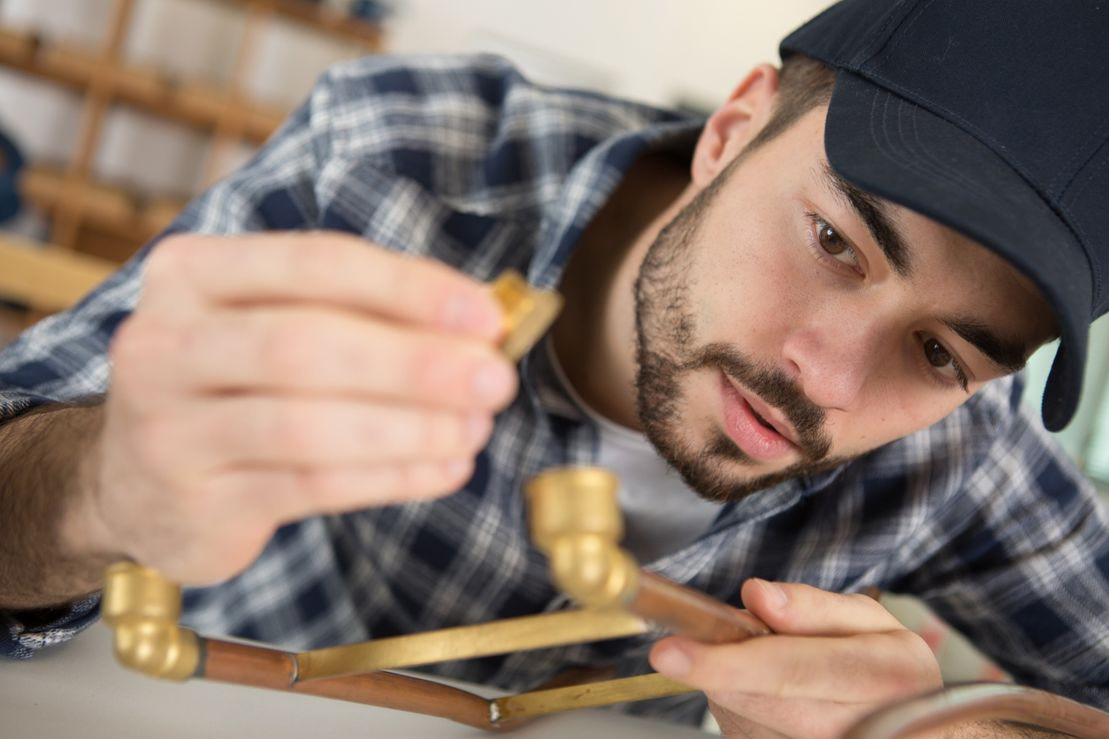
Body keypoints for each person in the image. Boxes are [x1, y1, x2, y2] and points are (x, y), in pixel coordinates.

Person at [2, 0, 1108, 735]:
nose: (824, 380)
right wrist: (98, 486)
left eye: (937, 351)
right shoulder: (404, 168)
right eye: (832, 242)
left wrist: (960, 724)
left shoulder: (954, 445)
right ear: (730, 130)